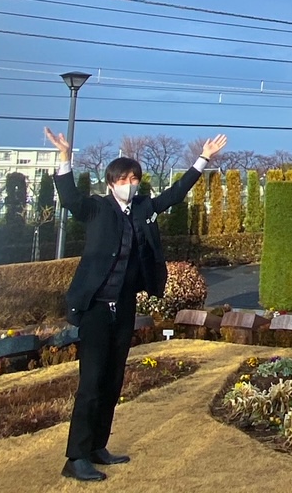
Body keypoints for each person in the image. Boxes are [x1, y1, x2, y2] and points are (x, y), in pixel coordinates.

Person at [44, 127, 227, 482]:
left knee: (113, 380)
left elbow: (174, 195)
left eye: (134, 178)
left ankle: (98, 445)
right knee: (92, 381)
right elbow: (71, 201)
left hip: (124, 307)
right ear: (111, 182)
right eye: (124, 178)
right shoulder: (97, 208)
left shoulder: (142, 207)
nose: (130, 182)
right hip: (96, 308)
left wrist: (202, 159)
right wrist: (65, 158)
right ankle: (76, 456)